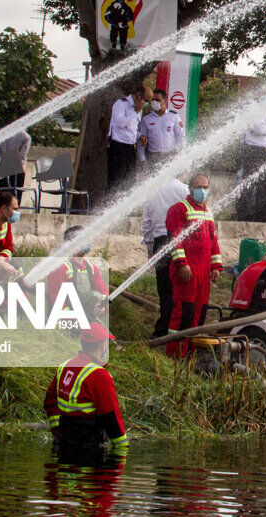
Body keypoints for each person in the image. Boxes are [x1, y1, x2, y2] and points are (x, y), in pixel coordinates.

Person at [44, 324, 128, 455]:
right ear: (103, 345)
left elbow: (50, 403)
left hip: (62, 443)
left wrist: (57, 431)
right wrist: (123, 449)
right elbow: (110, 416)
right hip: (88, 448)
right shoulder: (99, 375)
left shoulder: (64, 366)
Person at [163, 175, 222, 358]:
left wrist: (215, 266)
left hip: (203, 273)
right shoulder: (179, 209)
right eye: (198, 187)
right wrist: (182, 264)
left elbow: (213, 241)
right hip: (187, 271)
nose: (202, 190)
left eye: (205, 186)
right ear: (189, 188)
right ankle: (174, 353)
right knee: (183, 313)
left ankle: (190, 353)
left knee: (200, 313)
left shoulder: (207, 211)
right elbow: (176, 239)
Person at [142, 176, 189, 338]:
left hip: (160, 242)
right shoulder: (184, 189)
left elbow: (147, 223)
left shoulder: (153, 192)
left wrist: (150, 249)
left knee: (164, 287)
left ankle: (162, 329)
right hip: (180, 241)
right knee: (179, 286)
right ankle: (175, 328)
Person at [237, 112, 266, 221]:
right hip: (253, 150)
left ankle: (262, 217)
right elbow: (258, 129)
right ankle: (244, 216)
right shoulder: (250, 109)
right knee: (249, 184)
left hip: (265, 151)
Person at [107, 85, 147, 195]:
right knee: (116, 180)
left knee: (129, 181)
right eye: (145, 100)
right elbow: (121, 123)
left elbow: (133, 128)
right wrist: (135, 111)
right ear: (138, 96)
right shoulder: (121, 104)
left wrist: (140, 136)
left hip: (130, 147)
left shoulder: (139, 109)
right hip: (118, 145)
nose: (146, 104)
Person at [137, 89, 186, 166]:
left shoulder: (173, 116)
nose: (154, 102)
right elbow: (141, 141)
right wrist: (142, 159)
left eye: (157, 100)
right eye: (153, 100)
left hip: (170, 156)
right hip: (153, 157)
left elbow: (181, 137)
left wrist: (182, 156)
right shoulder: (146, 119)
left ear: (164, 101)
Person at [0, 129, 31, 201]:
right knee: (16, 195)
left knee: (3, 194)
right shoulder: (26, 137)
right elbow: (22, 155)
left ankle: (3, 208)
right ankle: (15, 209)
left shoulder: (2, 134)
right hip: (17, 169)